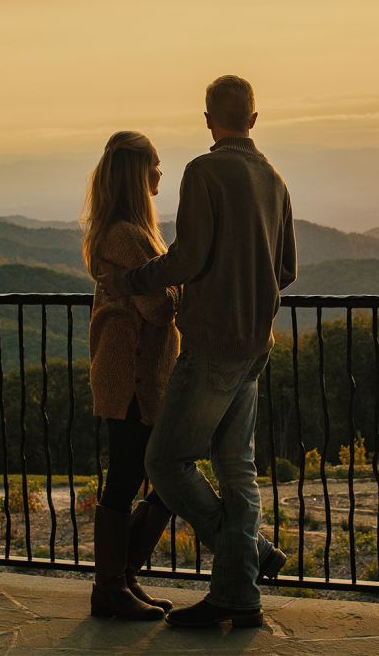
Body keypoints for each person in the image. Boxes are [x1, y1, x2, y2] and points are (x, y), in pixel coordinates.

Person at [99, 75, 297, 628]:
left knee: (165, 463)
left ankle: (243, 566)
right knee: (238, 470)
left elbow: (185, 259)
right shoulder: (275, 181)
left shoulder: (204, 172)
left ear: (209, 117)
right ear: (253, 120)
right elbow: (286, 270)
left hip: (210, 345)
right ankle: (240, 593)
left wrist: (135, 281)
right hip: (256, 346)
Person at [82, 131, 181, 621]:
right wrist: (183, 287)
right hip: (131, 376)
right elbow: (159, 309)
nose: (161, 174)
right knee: (137, 477)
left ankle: (122, 579)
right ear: (136, 175)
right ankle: (110, 586)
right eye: (155, 166)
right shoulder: (126, 235)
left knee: (144, 474)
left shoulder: (127, 231)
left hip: (132, 374)